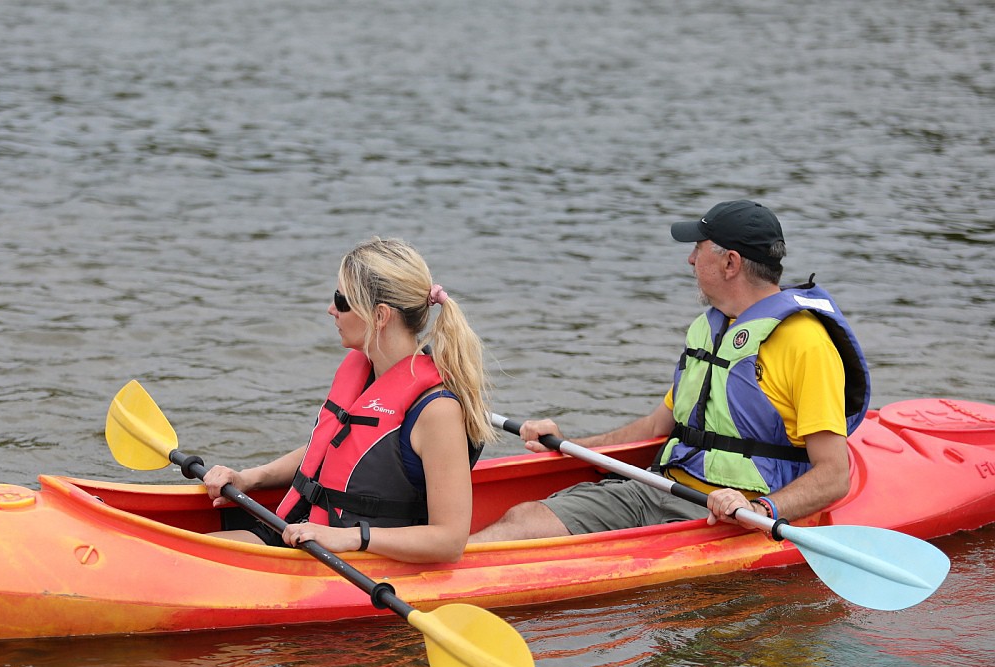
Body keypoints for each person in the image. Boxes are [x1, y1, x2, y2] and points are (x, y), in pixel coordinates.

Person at [471, 199, 870, 542]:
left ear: (730, 262)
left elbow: (834, 475)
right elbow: (655, 427)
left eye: (699, 249)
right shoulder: (712, 327)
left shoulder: (806, 343)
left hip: (729, 518)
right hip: (659, 486)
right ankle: (427, 569)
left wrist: (763, 507)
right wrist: (568, 442)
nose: (690, 259)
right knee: (525, 517)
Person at [201, 237, 496, 563]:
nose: (331, 310)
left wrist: (349, 537)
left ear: (380, 315)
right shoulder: (367, 371)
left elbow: (449, 540)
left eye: (341, 300)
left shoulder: (437, 410)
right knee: (194, 552)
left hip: (360, 562)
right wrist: (248, 478)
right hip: (303, 534)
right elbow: (330, 445)